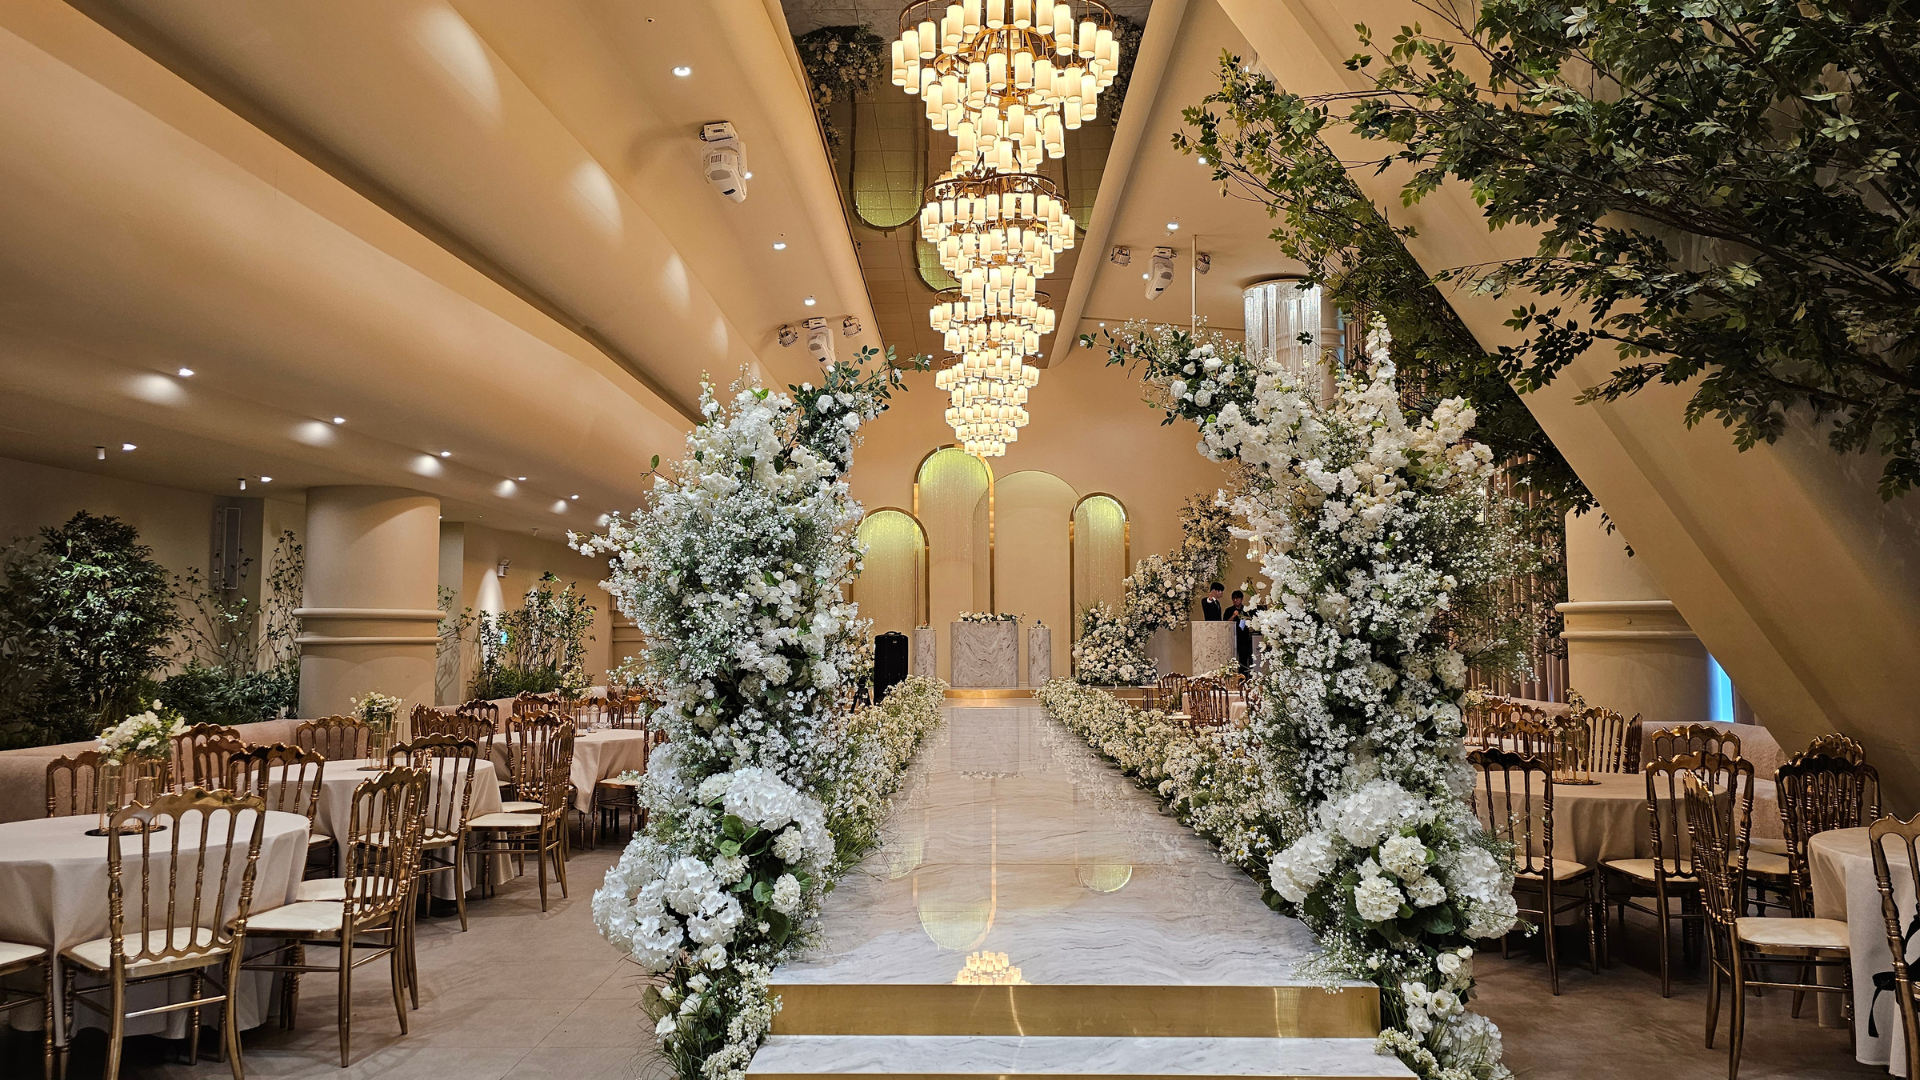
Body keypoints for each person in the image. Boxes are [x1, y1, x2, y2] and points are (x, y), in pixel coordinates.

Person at [1226, 590, 1254, 674]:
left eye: (1237, 598)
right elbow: (1226, 623)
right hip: (1232, 637)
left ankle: (1243, 677)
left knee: (1243, 659)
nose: (1235, 600)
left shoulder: (1246, 610)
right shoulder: (1229, 610)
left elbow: (1252, 622)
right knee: (1231, 658)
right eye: (1233, 599)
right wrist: (1233, 616)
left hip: (1244, 638)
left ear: (1241, 599)